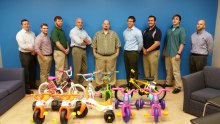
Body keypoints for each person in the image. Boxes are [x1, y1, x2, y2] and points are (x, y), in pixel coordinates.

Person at [91, 20, 121, 91]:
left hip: (111, 56)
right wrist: (95, 54)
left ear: (109, 25)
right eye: (104, 24)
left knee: (111, 71)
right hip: (100, 56)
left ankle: (111, 84)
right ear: (102, 25)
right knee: (99, 71)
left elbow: (118, 44)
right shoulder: (97, 34)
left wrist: (117, 54)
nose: (106, 25)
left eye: (107, 24)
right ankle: (99, 84)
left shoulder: (114, 34)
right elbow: (94, 44)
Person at [164, 14, 186, 94]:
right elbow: (166, 42)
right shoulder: (169, 30)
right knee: (168, 69)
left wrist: (179, 53)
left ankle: (178, 86)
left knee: (176, 71)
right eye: (173, 19)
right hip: (168, 53)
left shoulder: (181, 30)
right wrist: (164, 52)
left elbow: (182, 43)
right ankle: (168, 83)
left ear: (179, 21)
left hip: (175, 53)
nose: (174, 20)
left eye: (176, 19)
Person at [16, 19, 37, 94]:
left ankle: (33, 85)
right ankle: (26, 89)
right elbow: (22, 46)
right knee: (26, 72)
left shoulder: (32, 33)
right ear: (22, 25)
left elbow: (35, 42)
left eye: (27, 24)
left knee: (33, 70)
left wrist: (34, 50)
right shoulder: (19, 34)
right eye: (24, 24)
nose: (26, 25)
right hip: (25, 54)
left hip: (33, 53)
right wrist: (32, 50)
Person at [69, 18, 92, 85]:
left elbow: (90, 41)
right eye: (78, 22)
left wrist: (83, 40)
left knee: (85, 69)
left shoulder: (84, 31)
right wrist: (85, 40)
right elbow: (79, 42)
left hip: (84, 50)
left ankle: (80, 83)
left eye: (81, 22)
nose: (80, 24)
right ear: (76, 23)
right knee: (77, 69)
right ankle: (76, 85)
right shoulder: (73, 31)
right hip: (76, 49)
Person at [123, 16, 143, 89]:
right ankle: (129, 84)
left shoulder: (137, 31)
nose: (129, 22)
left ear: (134, 22)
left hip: (133, 53)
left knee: (133, 70)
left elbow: (140, 43)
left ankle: (134, 85)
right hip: (126, 52)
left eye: (131, 21)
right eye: (128, 21)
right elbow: (126, 41)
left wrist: (137, 51)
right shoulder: (125, 31)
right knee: (127, 69)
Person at [142, 15, 162, 82]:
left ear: (155, 22)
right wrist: (144, 49)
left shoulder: (157, 31)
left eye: (151, 20)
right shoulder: (145, 31)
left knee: (153, 71)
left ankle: (152, 87)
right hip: (145, 53)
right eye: (149, 20)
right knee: (146, 70)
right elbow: (141, 41)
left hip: (153, 53)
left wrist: (147, 50)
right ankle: (147, 85)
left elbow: (157, 43)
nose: (150, 22)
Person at [51, 16, 69, 83]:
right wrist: (64, 50)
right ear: (55, 22)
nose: (60, 22)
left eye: (61, 21)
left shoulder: (61, 31)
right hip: (59, 52)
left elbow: (66, 41)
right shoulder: (54, 31)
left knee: (65, 69)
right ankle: (58, 84)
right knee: (59, 69)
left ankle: (64, 83)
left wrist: (68, 48)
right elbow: (57, 44)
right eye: (59, 21)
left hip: (64, 52)